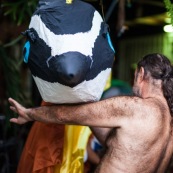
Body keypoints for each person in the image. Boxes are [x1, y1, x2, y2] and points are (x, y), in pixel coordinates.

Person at [8, 53, 173, 173]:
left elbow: (62, 115)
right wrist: (87, 112)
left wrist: (29, 114)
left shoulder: (135, 107)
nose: (132, 86)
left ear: (141, 74)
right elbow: (117, 144)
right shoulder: (169, 122)